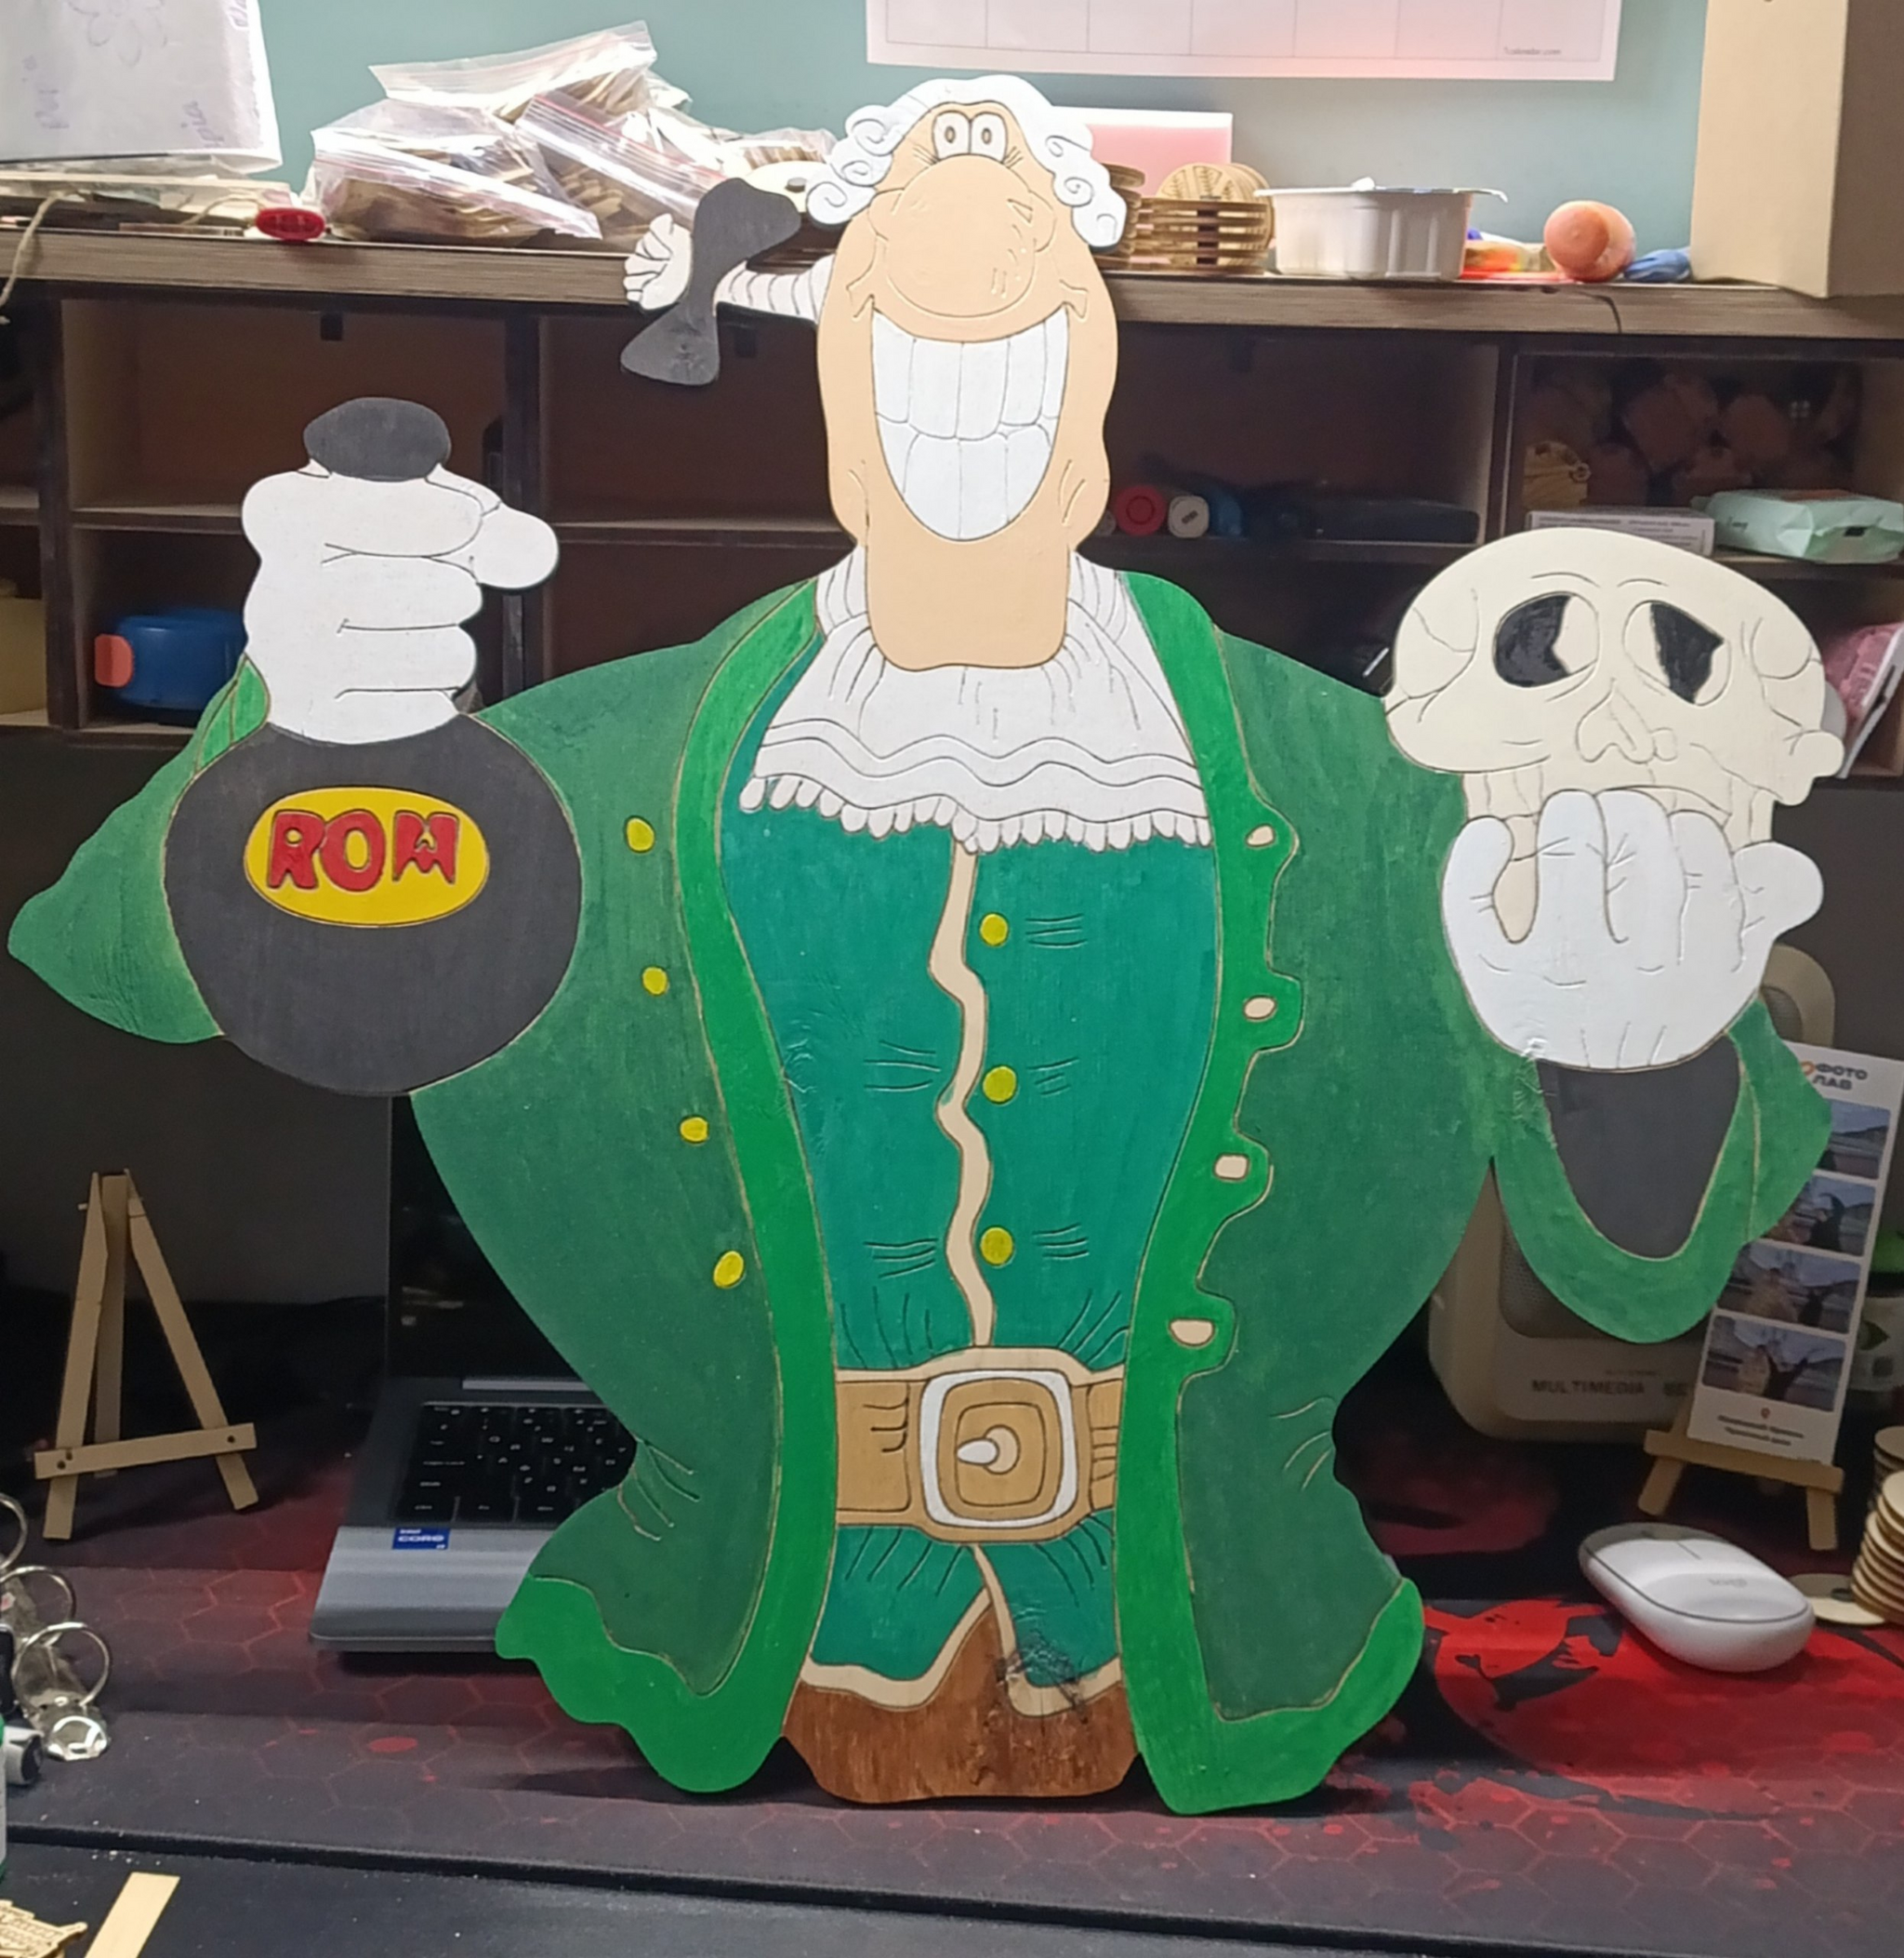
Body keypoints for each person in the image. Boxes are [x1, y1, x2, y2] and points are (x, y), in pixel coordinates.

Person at [9, 77, 1834, 1815]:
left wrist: (1638, 1031)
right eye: (907, 337)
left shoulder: (1367, 793)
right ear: (831, 380)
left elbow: (1642, 1259)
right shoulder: (600, 774)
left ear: (1097, 376)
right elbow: (135, 960)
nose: (967, 392)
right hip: (732, 1639)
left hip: (1228, 1645)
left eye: (1023, 335)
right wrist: (299, 736)